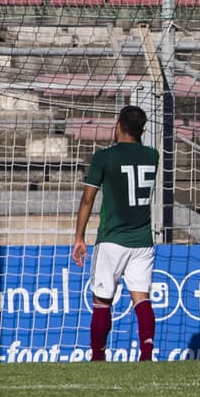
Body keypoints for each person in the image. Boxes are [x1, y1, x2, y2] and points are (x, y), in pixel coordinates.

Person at [71, 105, 160, 362]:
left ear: (118, 125)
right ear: (141, 130)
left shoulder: (104, 157)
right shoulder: (152, 155)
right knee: (141, 299)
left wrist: (79, 237)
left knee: (102, 300)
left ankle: (98, 356)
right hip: (142, 241)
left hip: (112, 239)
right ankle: (146, 355)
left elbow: (88, 199)